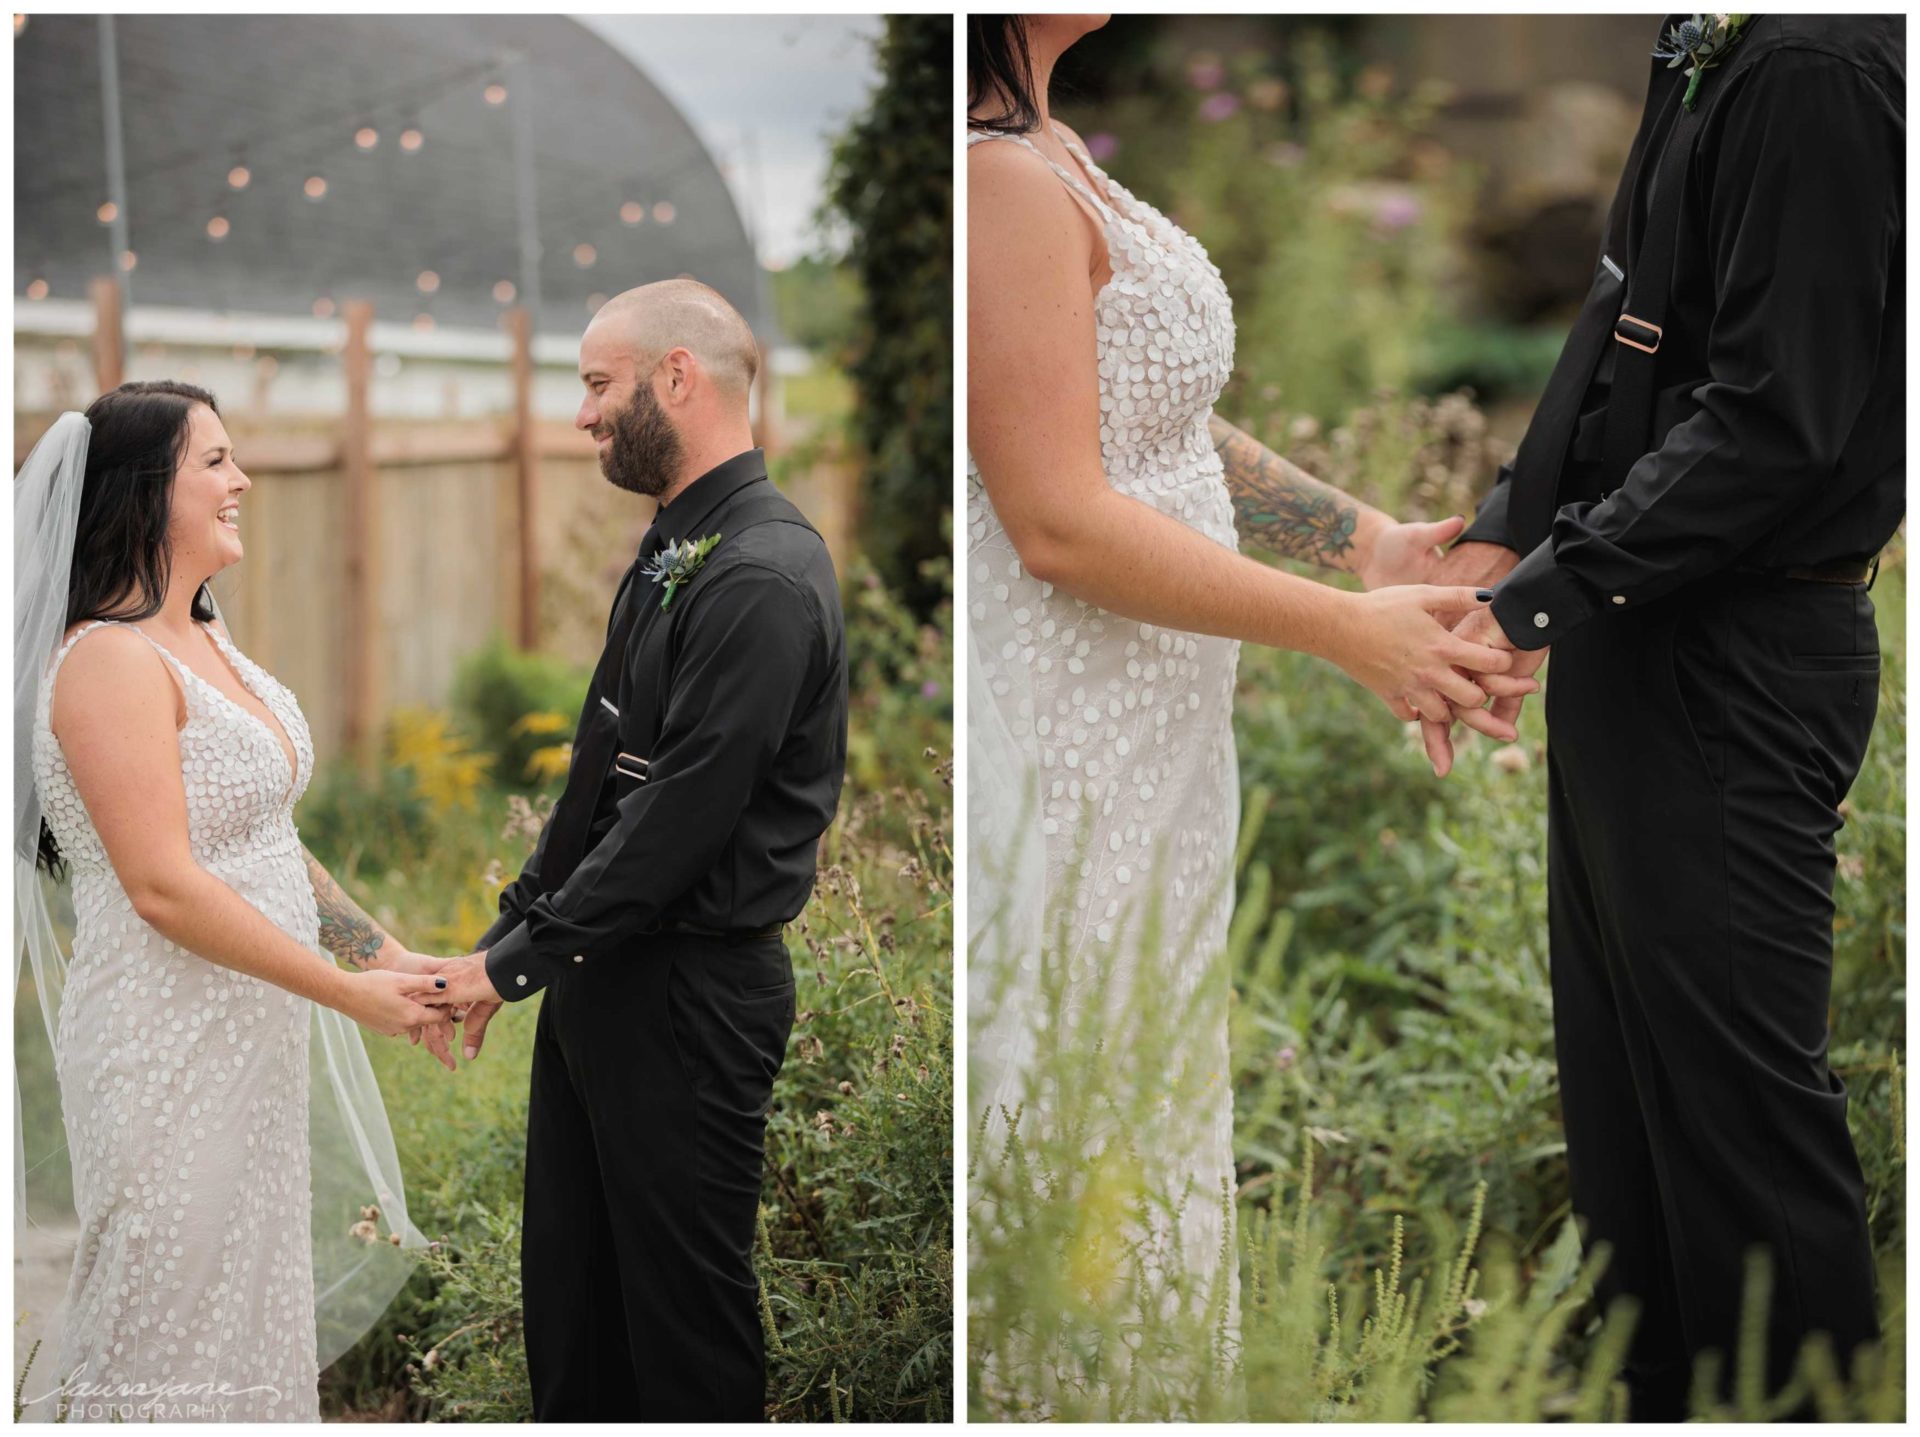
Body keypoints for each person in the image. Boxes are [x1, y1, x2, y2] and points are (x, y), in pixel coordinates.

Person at [965, 12, 1534, 1415]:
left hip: (1151, 728)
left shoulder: (1053, 148)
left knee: (1141, 1079)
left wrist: (1362, 541)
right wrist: (1350, 633)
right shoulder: (988, 176)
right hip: (1061, 719)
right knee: (1072, 1094)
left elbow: (1140, 407)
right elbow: (1054, 517)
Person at [1429, 13, 1904, 1417]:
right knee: (1632, 1122)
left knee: (1743, 1139)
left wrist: (1535, 601)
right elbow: (1624, 311)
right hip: (1646, 633)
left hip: (1743, 650)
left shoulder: (1821, 64)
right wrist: (1508, 535)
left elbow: (1777, 416)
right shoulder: (1706, 40)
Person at [422, 280, 848, 1421]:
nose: (581, 416)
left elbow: (678, 824)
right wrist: (509, 943)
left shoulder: (759, 576)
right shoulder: (679, 546)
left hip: (692, 995)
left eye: (597, 385)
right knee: (577, 1309)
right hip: (604, 981)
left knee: (682, 1336)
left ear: (678, 378)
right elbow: (603, 781)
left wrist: (514, 965)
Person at [14, 383, 451, 1422]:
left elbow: (266, 846)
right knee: (165, 1318)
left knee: (247, 1311)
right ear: (139, 492)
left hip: (249, 1049)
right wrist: (348, 999)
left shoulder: (202, 636)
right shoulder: (107, 662)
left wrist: (387, 955)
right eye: (213, 462)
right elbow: (164, 886)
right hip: (162, 1048)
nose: (241, 480)